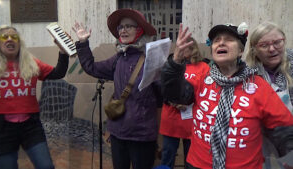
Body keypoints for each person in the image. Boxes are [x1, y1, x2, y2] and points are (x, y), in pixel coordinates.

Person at [161, 22, 293, 169]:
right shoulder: (201, 78)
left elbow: (284, 131)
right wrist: (175, 62)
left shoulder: (258, 85)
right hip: (197, 165)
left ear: (241, 51)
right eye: (216, 40)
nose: (221, 43)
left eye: (229, 39)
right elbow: (174, 95)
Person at [72, 8, 162, 169]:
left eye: (129, 26)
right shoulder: (118, 59)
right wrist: (83, 43)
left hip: (142, 135)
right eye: (121, 27)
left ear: (140, 30)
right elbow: (91, 67)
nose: (123, 30)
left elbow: (162, 96)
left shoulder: (152, 59)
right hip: (118, 133)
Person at [0, 25, 69, 169]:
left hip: (30, 126)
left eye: (14, 37)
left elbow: (58, 73)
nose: (10, 39)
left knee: (46, 166)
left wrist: (63, 51)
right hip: (0, 128)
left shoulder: (31, 63)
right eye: (5, 37)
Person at [244, 21, 293, 169]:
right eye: (264, 45)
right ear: (255, 50)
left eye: (277, 42)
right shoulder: (247, 75)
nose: (272, 49)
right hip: (262, 141)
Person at [159, 37, 206, 169]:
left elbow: (207, 92)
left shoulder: (203, 67)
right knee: (167, 156)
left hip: (192, 120)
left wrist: (190, 101)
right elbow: (161, 86)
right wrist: (171, 101)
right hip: (171, 119)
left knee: (191, 160)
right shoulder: (170, 65)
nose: (184, 49)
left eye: (187, 46)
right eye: (181, 47)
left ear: (194, 48)